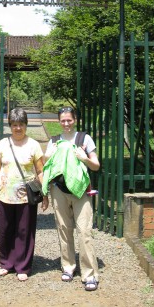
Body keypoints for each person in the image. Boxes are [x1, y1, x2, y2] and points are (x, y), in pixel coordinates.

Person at [43, 106, 100, 291]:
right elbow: (45, 166)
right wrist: (46, 156)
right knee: (64, 230)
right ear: (59, 122)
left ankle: (89, 274)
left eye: (69, 120)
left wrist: (84, 158)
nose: (66, 123)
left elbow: (96, 165)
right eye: (63, 120)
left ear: (75, 120)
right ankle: (68, 266)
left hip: (81, 191)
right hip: (59, 189)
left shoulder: (84, 139)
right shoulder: (53, 141)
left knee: (84, 231)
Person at [0, 107, 49, 281]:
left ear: (26, 125)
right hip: (4, 195)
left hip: (26, 196)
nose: (18, 128)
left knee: (24, 231)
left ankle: (23, 265)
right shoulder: (2, 145)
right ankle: (6, 263)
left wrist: (44, 194)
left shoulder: (34, 145)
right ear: (10, 126)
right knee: (5, 230)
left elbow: (40, 171)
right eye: (14, 124)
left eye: (21, 124)